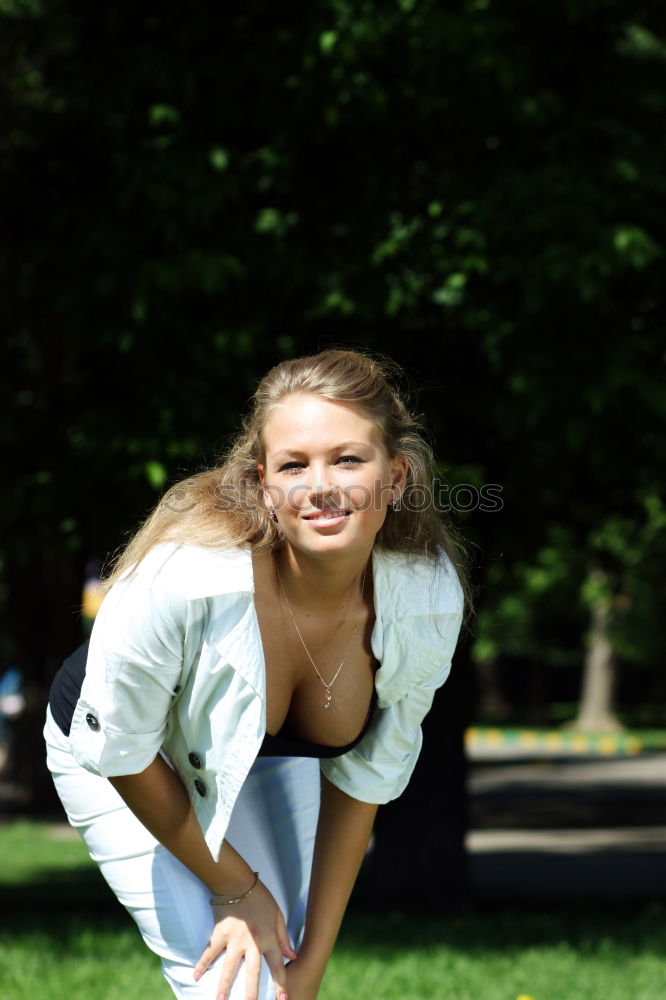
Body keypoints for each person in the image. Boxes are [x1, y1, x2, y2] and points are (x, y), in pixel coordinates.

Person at [44, 348, 469, 1000]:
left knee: (284, 978)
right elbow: (120, 751)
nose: (321, 484)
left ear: (397, 476)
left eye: (349, 459)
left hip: (266, 759)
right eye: (294, 465)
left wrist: (312, 969)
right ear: (263, 484)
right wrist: (235, 888)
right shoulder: (186, 579)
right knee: (240, 991)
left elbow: (365, 781)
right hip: (125, 756)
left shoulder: (424, 599)